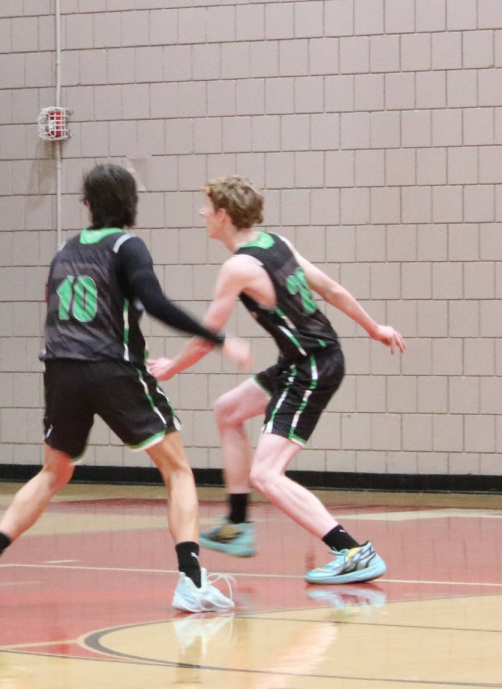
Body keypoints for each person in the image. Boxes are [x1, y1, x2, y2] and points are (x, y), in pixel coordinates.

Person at [0, 163, 252, 613]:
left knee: (53, 472)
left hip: (60, 369)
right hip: (111, 368)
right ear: (132, 204)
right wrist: (218, 338)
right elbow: (156, 303)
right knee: (178, 470)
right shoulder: (128, 245)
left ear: (87, 205)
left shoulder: (64, 250)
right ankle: (191, 580)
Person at [150, 176, 406, 585]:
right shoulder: (276, 243)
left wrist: (171, 368)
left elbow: (206, 338)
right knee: (227, 411)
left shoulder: (238, 267)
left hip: (312, 365)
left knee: (266, 474)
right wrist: (373, 327)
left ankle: (351, 550)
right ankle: (237, 524)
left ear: (223, 215)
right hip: (303, 360)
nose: (201, 214)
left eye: (206, 208)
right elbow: (331, 288)